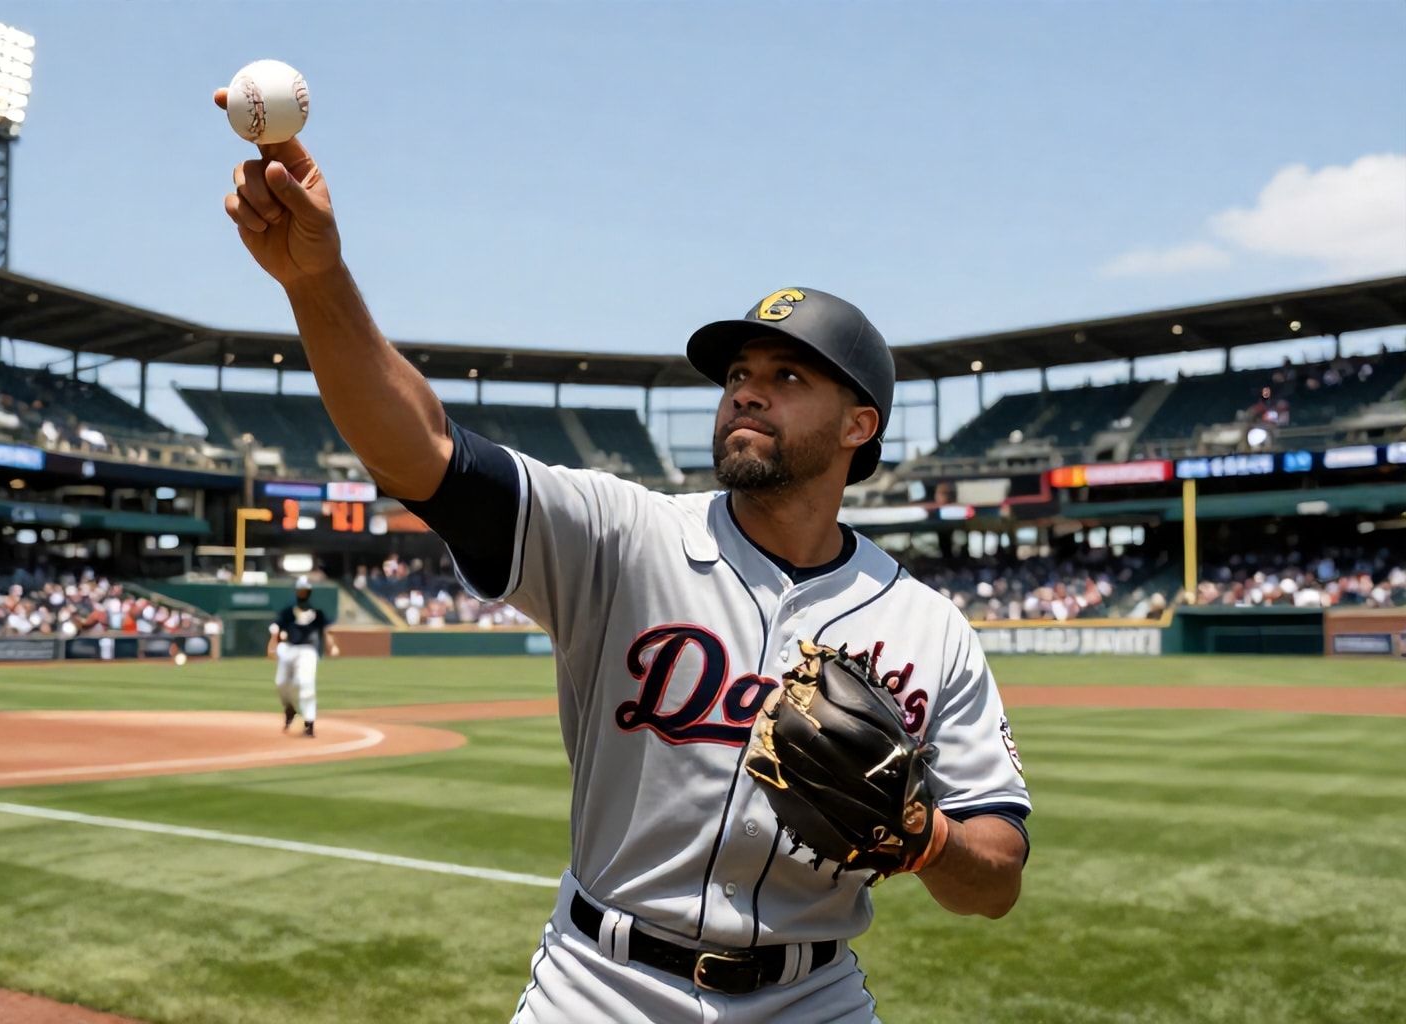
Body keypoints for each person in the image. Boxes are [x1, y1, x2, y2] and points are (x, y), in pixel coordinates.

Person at [215, 91, 1029, 1022]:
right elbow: (420, 452)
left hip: (816, 997)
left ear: (861, 425)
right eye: (736, 377)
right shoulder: (622, 535)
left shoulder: (928, 626)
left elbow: (996, 878)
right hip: (602, 988)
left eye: (785, 377)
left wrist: (923, 841)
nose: (745, 397)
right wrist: (316, 281)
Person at [267, 576, 338, 738]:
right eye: (300, 590)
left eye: (305, 590)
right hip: (288, 648)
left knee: (307, 685)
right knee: (281, 683)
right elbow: (276, 629)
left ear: (309, 592)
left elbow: (326, 631)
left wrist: (332, 645)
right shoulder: (288, 611)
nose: (302, 593)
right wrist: (272, 645)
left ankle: (309, 723)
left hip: (307, 651)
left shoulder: (316, 613)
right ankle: (290, 710)